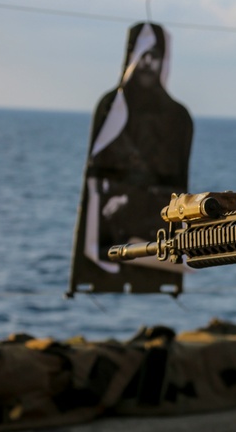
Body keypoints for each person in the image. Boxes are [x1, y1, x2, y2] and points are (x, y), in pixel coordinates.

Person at [68, 21, 193, 295]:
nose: (148, 63)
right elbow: (98, 175)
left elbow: (176, 178)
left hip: (154, 217)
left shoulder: (177, 116)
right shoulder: (111, 108)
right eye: (142, 55)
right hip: (116, 217)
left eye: (155, 56)